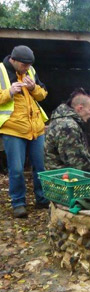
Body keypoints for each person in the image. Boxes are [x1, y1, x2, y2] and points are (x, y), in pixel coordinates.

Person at [0, 45, 50, 218]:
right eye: (24, 65)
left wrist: (33, 88)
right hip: (13, 129)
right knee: (16, 169)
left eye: (29, 65)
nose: (27, 68)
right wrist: (9, 92)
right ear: (13, 60)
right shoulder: (0, 70)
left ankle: (42, 200)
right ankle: (18, 203)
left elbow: (43, 94)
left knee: (41, 167)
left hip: (36, 128)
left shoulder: (31, 70)